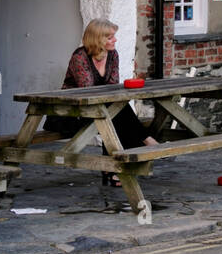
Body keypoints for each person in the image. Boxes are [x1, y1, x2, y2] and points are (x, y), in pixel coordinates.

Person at [44, 19, 158, 183]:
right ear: (98, 39)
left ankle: (113, 168)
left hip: (100, 109)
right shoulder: (80, 57)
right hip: (71, 113)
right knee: (116, 111)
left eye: (114, 36)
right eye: (110, 37)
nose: (115, 40)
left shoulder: (113, 55)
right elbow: (88, 89)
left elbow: (112, 85)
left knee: (115, 111)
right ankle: (143, 141)